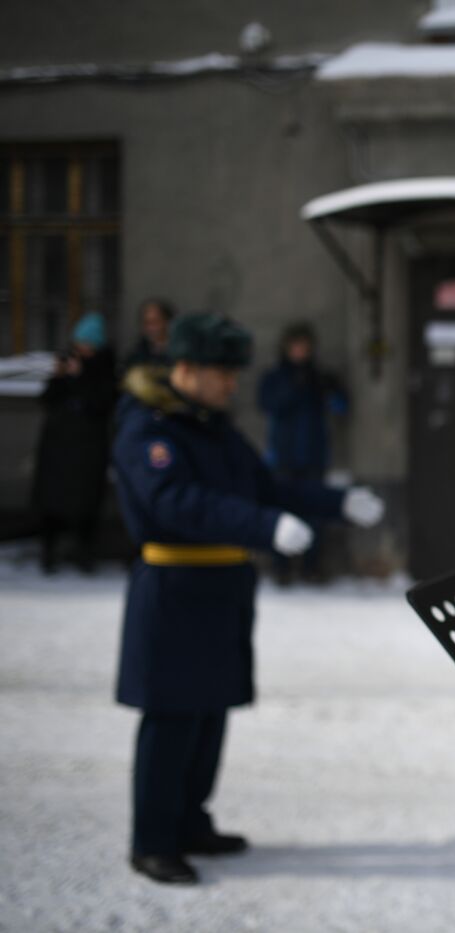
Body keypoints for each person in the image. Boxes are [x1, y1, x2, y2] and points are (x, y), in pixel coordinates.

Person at [112, 312, 385, 885]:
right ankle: (153, 840)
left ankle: (191, 821)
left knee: (210, 712)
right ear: (184, 369)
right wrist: (263, 527)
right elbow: (177, 503)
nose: (232, 384)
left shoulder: (212, 427)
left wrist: (336, 503)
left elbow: (269, 485)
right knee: (172, 719)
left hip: (219, 589)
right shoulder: (149, 430)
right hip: (174, 590)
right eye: (221, 373)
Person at [256, 322, 348, 583]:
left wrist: (329, 390)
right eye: (295, 346)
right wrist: (293, 389)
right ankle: (281, 567)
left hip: (313, 455)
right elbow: (267, 405)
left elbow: (340, 407)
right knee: (283, 511)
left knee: (314, 513)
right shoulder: (276, 377)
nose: (300, 352)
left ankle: (311, 566)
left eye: (304, 347)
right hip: (283, 455)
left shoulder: (318, 377)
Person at [32, 312, 118, 573]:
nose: (82, 348)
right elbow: (47, 398)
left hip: (88, 447)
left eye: (88, 343)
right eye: (80, 343)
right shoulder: (66, 362)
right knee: (51, 500)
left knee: (86, 503)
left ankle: (85, 554)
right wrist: (60, 376)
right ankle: (48, 552)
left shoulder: (105, 367)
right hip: (58, 445)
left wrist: (80, 377)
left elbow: (103, 403)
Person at [124, 298, 176, 370]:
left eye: (155, 322)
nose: (151, 328)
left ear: (168, 322)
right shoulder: (138, 353)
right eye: (147, 323)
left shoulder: (179, 353)